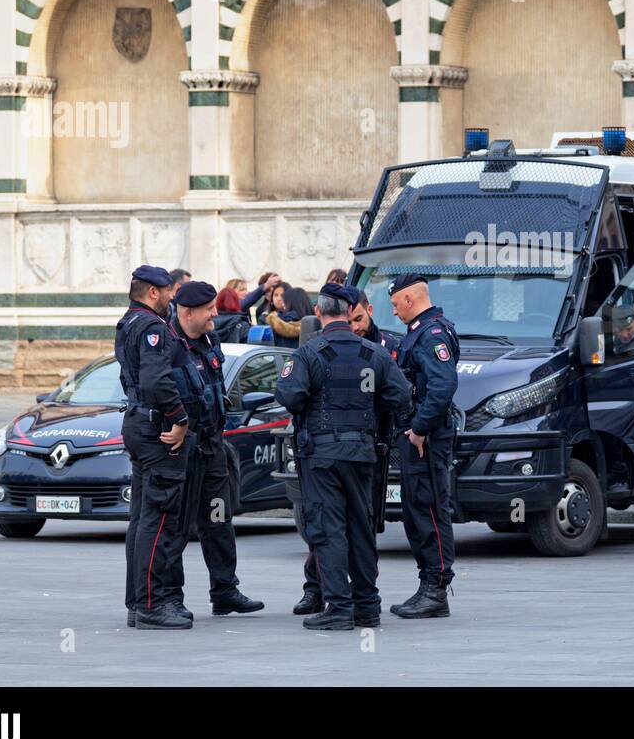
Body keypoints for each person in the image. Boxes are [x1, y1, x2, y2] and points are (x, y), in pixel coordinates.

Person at [274, 283, 412, 630]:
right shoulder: (374, 353)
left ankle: (338, 606)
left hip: (322, 456)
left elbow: (290, 396)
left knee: (328, 529)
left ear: (319, 313)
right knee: (361, 528)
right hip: (363, 454)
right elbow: (401, 397)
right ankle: (367, 606)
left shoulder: (309, 353)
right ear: (350, 314)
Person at [167, 281, 263, 618]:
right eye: (209, 309)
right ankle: (171, 599)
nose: (215, 314)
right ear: (187, 312)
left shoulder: (209, 339)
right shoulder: (168, 344)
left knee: (219, 520)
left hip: (212, 447)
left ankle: (225, 591)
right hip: (183, 451)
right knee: (176, 528)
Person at [115, 265, 193, 630]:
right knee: (159, 518)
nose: (172, 298)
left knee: (142, 518)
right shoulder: (152, 328)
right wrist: (180, 419)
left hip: (137, 422)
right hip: (155, 429)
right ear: (152, 293)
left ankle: (138, 602)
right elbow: (157, 380)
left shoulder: (127, 323)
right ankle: (151, 604)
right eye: (168, 292)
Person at [387, 274, 460, 619]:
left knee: (429, 509)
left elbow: (442, 387)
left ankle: (437, 589)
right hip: (419, 436)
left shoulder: (431, 334)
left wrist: (419, 428)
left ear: (410, 299)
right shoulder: (420, 330)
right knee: (417, 510)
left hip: (426, 439)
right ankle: (427, 584)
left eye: (395, 302)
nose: (393, 309)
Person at [349, 289, 399, 353]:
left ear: (370, 310)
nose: (355, 328)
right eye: (348, 323)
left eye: (358, 319)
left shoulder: (393, 348)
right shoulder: (340, 351)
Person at [264, 285, 313, 350]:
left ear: (289, 302)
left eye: (284, 301)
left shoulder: (276, 321)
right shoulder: (314, 323)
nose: (282, 304)